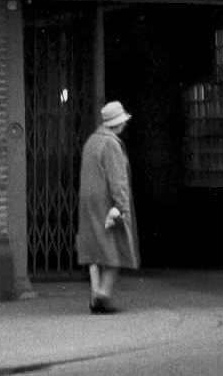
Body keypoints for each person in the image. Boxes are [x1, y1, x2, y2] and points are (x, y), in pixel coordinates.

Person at [76, 100, 139, 314]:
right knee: (114, 251)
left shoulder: (91, 141)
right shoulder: (111, 144)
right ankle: (103, 295)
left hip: (89, 204)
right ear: (118, 123)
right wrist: (122, 206)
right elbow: (118, 179)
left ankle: (95, 295)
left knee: (95, 252)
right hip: (106, 204)